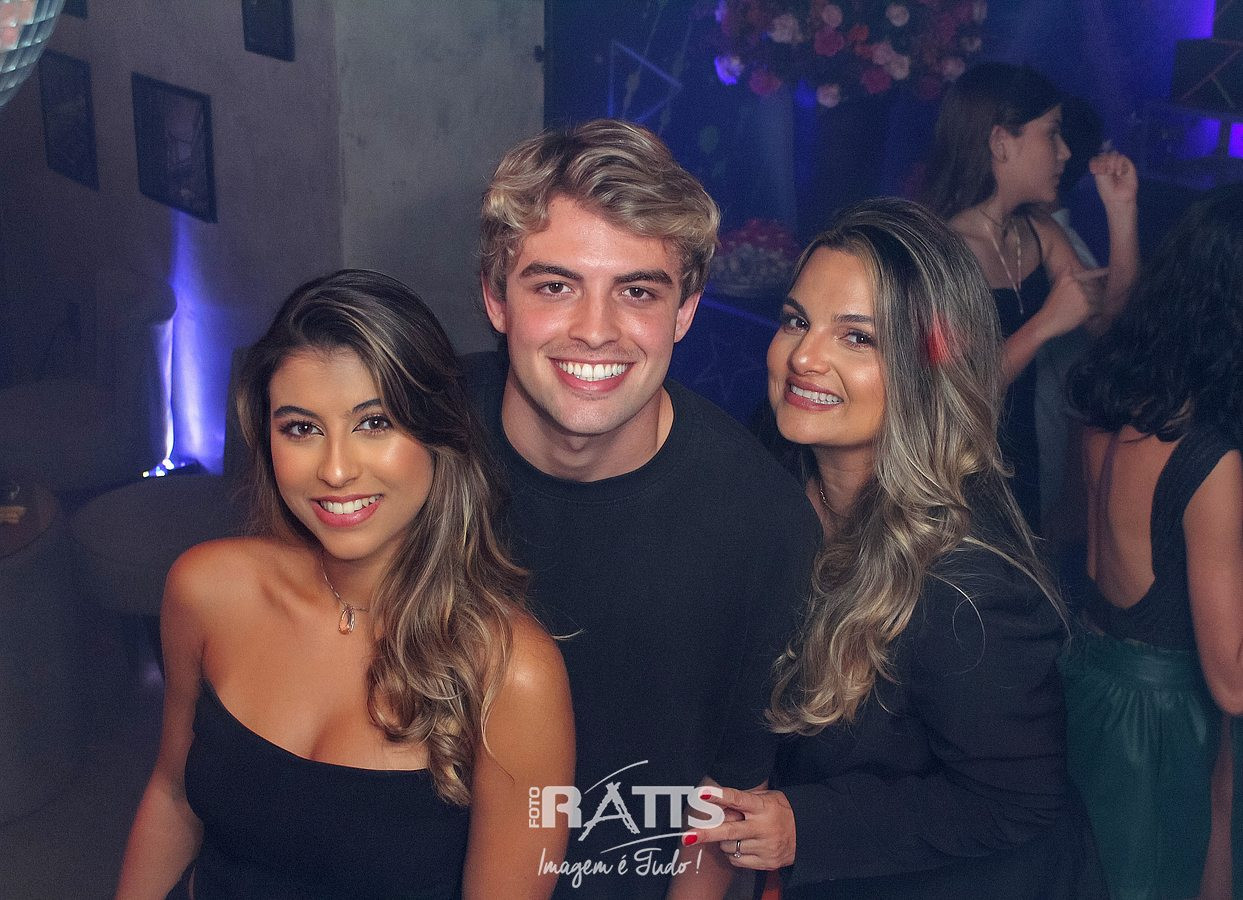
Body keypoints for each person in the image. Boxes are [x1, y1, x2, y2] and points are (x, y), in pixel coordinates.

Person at [686, 198, 1103, 897]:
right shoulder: (769, 489)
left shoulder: (969, 582)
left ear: (928, 368)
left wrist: (805, 826)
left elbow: (1017, 800)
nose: (804, 356)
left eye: (857, 338)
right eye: (796, 321)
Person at [116, 270, 574, 899]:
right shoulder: (207, 589)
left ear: (439, 434)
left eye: (375, 422)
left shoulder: (513, 672)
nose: (335, 470)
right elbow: (172, 797)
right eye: (301, 428)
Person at [467, 118, 821, 898]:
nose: (594, 331)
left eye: (636, 292)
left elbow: (724, 804)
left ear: (685, 310)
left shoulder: (760, 524)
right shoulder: (412, 444)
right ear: (496, 297)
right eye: (554, 286)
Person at [1060, 184, 1243, 900]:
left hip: (1090, 680)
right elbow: (1232, 682)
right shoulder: (1208, 461)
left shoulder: (1114, 405)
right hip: (1159, 725)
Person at [924, 61, 1139, 532]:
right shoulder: (939, 250)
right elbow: (950, 394)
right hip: (951, 472)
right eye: (1052, 133)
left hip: (1021, 463)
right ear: (1001, 141)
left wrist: (1121, 211)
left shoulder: (1037, 233)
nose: (1065, 152)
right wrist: (1044, 324)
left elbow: (1111, 323)